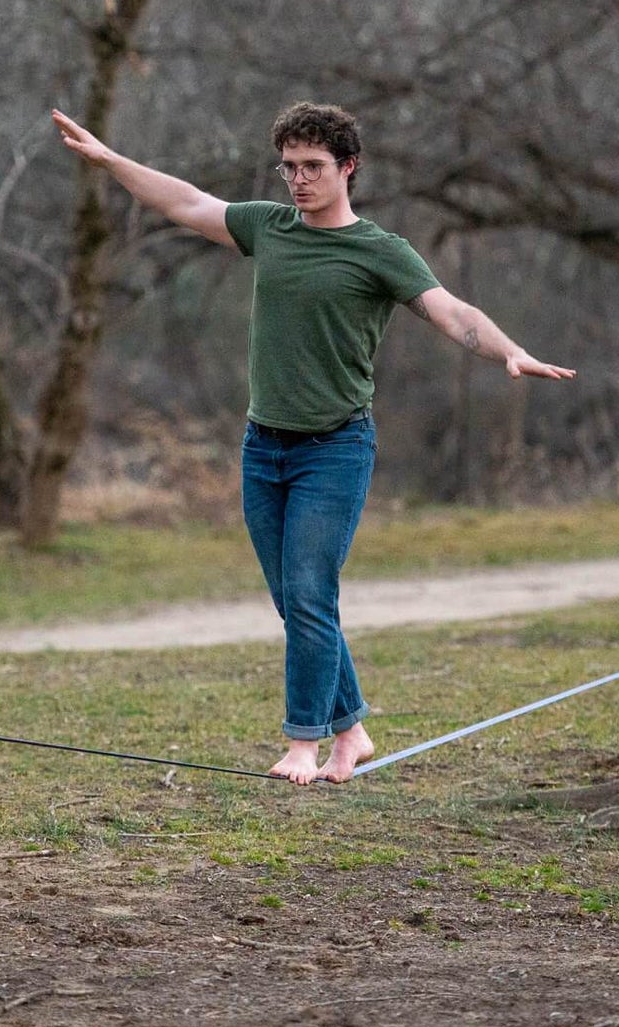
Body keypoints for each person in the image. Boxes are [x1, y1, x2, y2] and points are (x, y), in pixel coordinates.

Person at [52, 101, 574, 784]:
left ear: (347, 168)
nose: (297, 180)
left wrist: (509, 351)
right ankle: (351, 730)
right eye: (289, 167)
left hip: (334, 449)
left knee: (307, 592)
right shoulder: (269, 228)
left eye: (312, 167)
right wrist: (109, 160)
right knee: (298, 599)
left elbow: (451, 311)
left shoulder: (380, 251)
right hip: (262, 447)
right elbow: (186, 203)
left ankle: (305, 743)